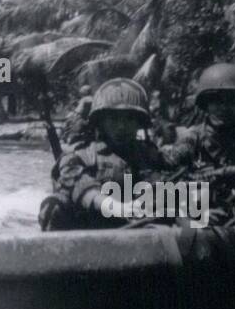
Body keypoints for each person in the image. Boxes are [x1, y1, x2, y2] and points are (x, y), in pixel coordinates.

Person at [39, 78, 175, 231]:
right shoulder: (82, 155)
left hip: (140, 229)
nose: (122, 126)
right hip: (89, 234)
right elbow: (75, 182)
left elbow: (176, 175)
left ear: (140, 122)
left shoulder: (149, 154)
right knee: (53, 206)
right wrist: (114, 207)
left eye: (129, 118)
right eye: (113, 118)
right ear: (100, 121)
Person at [163, 62, 235, 226]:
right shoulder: (191, 139)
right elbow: (166, 188)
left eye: (232, 101)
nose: (224, 107)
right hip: (201, 218)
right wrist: (197, 213)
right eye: (216, 101)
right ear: (206, 104)